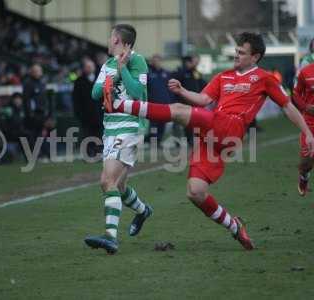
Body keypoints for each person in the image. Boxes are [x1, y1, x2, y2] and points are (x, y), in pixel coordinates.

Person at [104, 32, 314, 250]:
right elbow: (204, 100)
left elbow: (288, 106)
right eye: (236, 51)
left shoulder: (265, 78)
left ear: (255, 57)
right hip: (213, 134)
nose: (236, 56)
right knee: (195, 192)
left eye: (242, 53)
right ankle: (235, 227)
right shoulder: (224, 76)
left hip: (231, 127)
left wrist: (307, 133)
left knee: (177, 110)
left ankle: (117, 104)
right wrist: (183, 90)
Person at [84, 24, 153, 254]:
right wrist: (111, 77)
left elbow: (137, 93)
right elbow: (94, 94)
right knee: (119, 186)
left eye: (110, 37)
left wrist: (123, 70)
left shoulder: (138, 61)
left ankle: (110, 237)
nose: (108, 40)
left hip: (130, 127)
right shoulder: (107, 65)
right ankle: (143, 211)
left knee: (107, 181)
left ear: (117, 40)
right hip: (110, 129)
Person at [172, 54, 207, 145]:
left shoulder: (196, 72)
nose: (195, 63)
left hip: (194, 101)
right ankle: (178, 141)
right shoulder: (180, 72)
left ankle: (191, 140)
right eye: (193, 61)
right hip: (182, 102)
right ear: (187, 62)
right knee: (180, 122)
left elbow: (202, 84)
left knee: (193, 121)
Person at [72, 57, 103, 158]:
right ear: (84, 68)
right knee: (87, 135)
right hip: (86, 115)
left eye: (91, 66)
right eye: (87, 67)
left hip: (99, 113)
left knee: (100, 134)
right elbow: (76, 100)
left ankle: (99, 153)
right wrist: (79, 114)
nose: (89, 68)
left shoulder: (100, 79)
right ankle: (89, 154)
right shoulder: (79, 81)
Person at [293, 61, 314, 196]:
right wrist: (305, 107)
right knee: (306, 162)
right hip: (310, 122)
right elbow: (295, 94)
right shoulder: (305, 72)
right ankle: (304, 177)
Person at [147, 54, 172, 145]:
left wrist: (170, 101)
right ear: (152, 62)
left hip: (164, 103)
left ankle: (159, 141)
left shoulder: (166, 74)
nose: (156, 62)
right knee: (154, 124)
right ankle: (153, 141)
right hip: (153, 103)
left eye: (158, 60)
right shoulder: (148, 74)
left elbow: (170, 89)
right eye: (154, 60)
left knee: (162, 123)